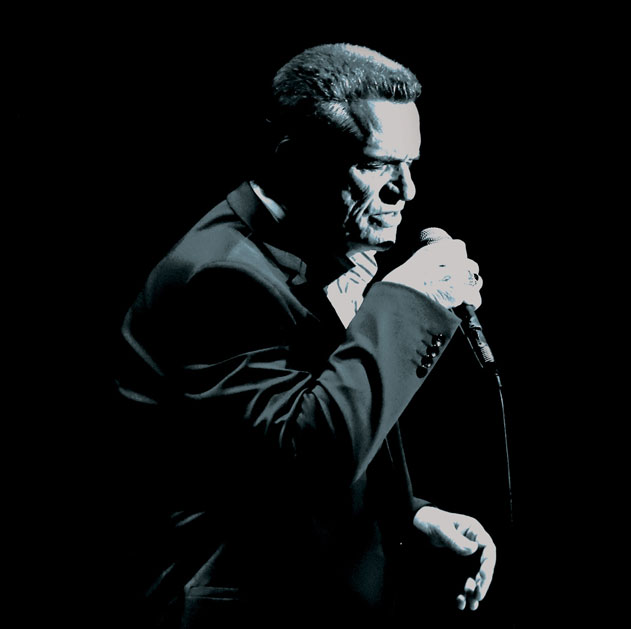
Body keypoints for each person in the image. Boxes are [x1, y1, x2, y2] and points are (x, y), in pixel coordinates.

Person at [112, 43, 497, 626]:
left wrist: (409, 515)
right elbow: (306, 463)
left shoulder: (309, 245)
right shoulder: (222, 277)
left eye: (411, 164)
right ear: (296, 160)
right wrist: (411, 300)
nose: (407, 191)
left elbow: (257, 462)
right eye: (377, 165)